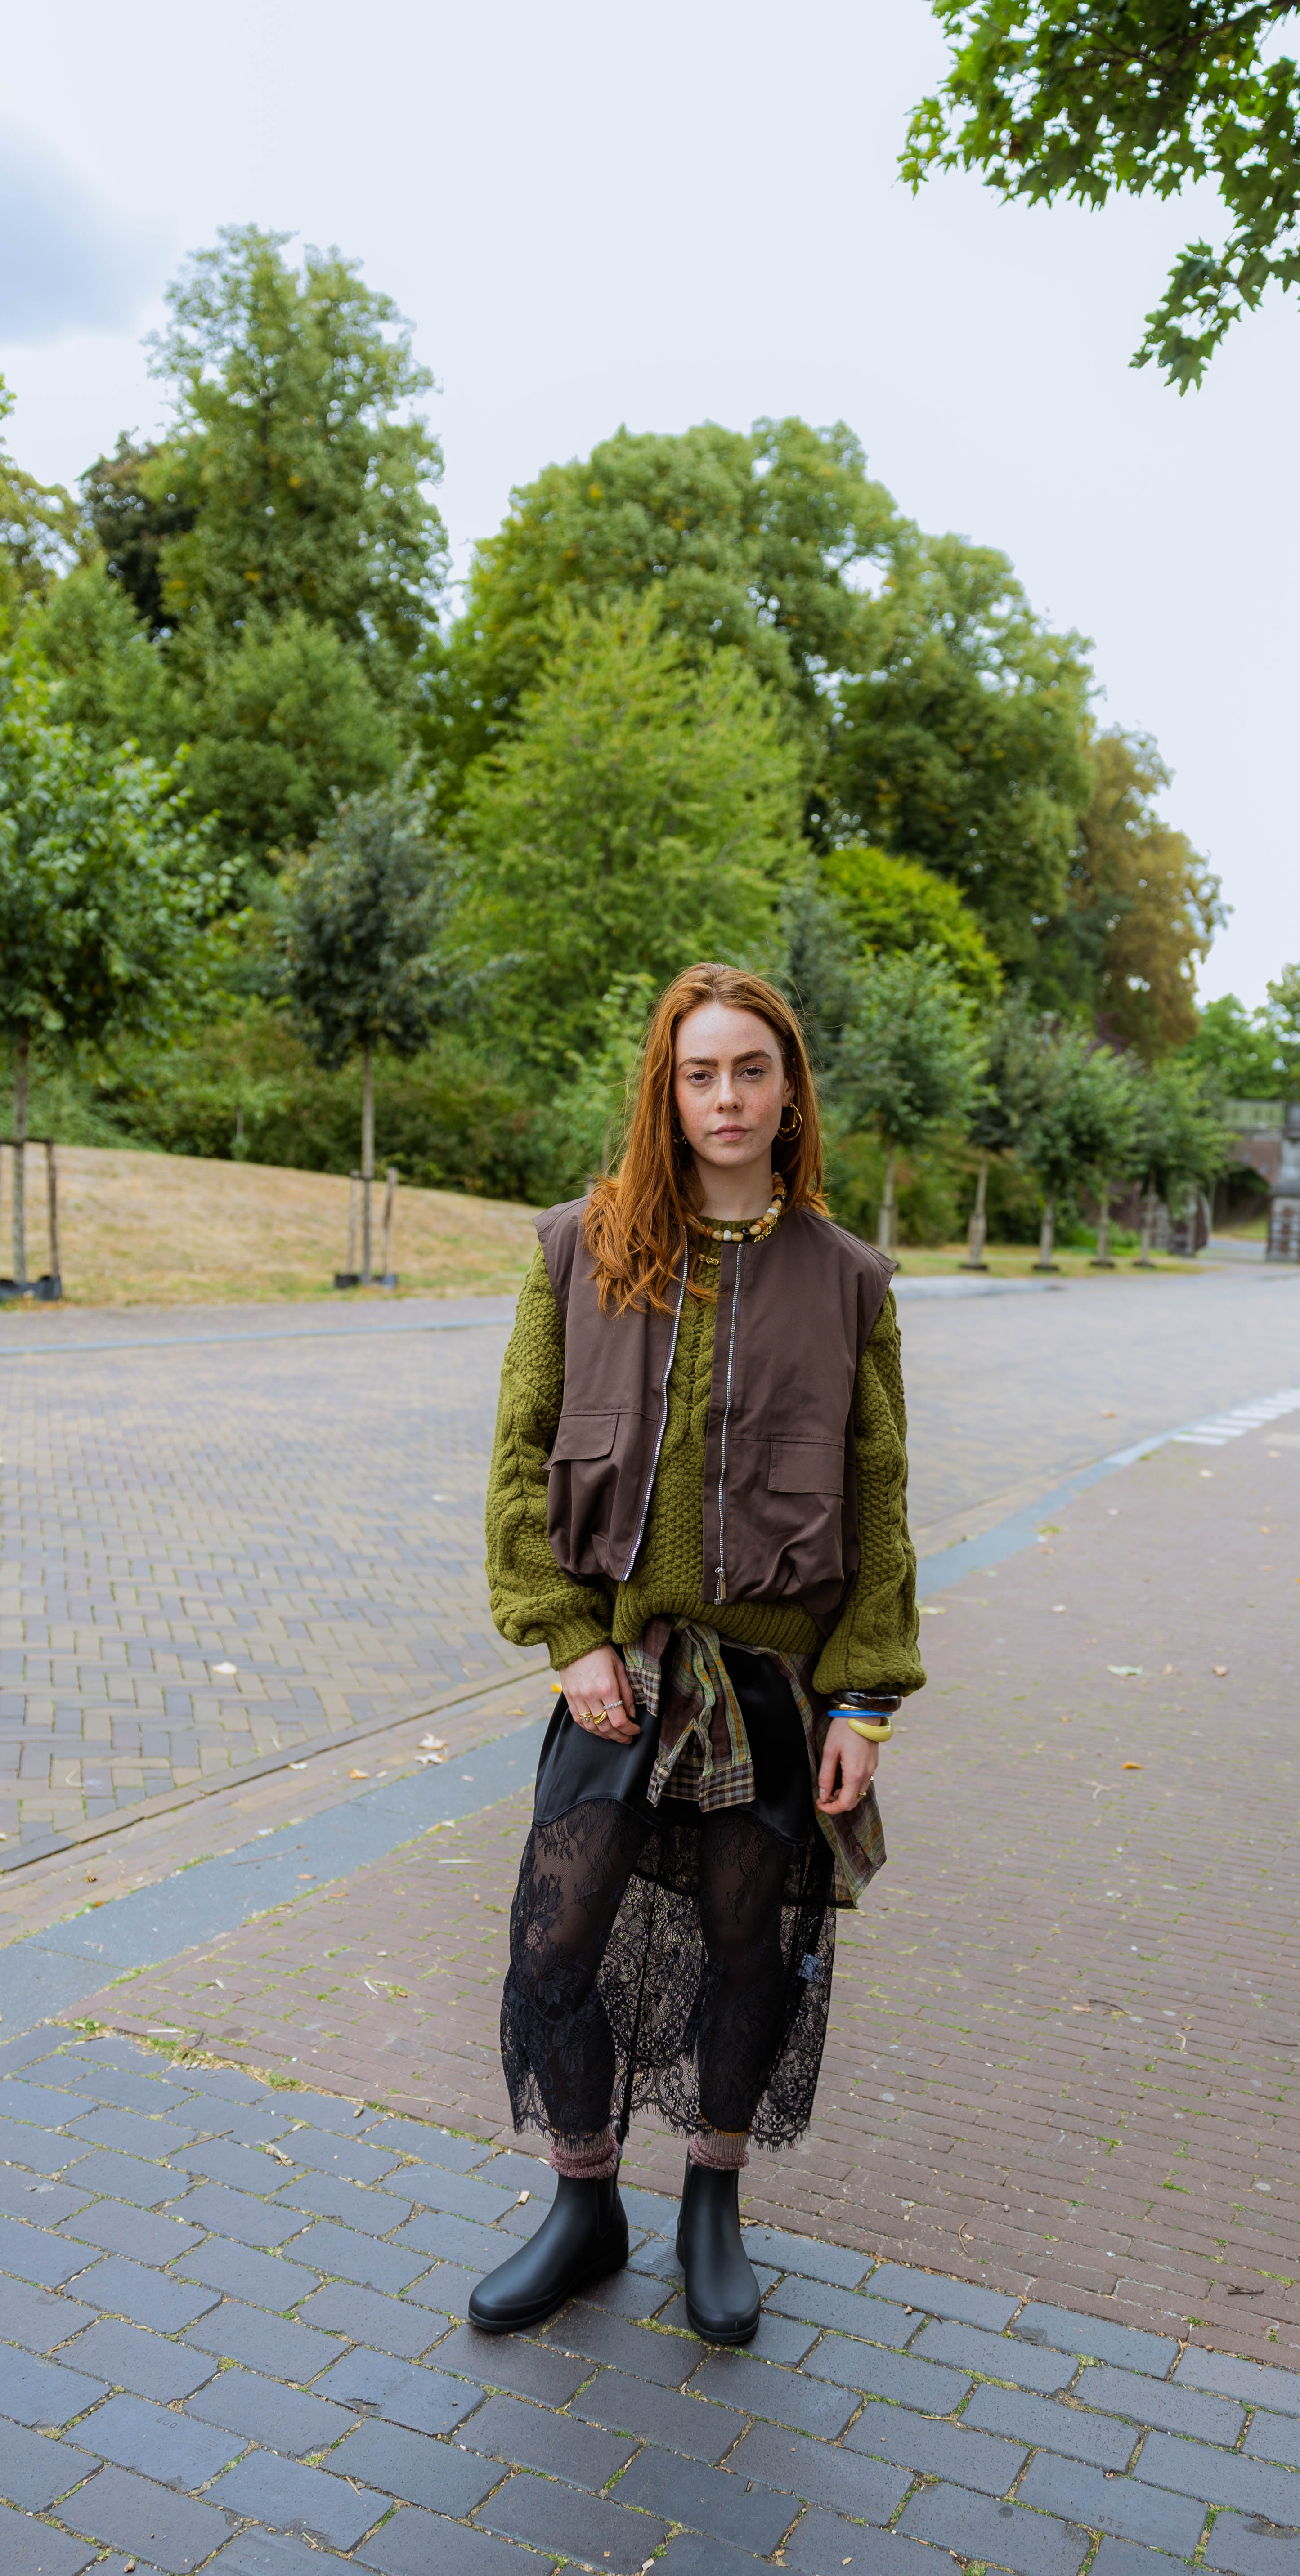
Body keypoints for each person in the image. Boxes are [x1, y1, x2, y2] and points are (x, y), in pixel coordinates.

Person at [469, 962, 923, 2345]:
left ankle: (711, 2203)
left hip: (771, 1688)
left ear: (791, 1094)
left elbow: (881, 1499)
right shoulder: (582, 1248)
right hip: (623, 1676)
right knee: (554, 1943)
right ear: (666, 1094)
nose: (726, 1097)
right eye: (699, 1073)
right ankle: (584, 2203)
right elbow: (519, 1455)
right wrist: (567, 1637)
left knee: (748, 1946)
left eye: (751, 1071)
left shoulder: (849, 1282)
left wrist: (863, 1701)